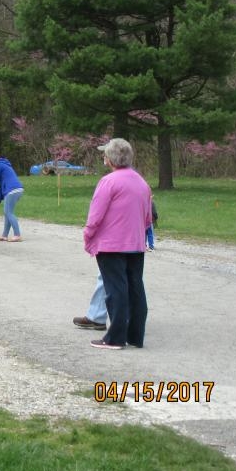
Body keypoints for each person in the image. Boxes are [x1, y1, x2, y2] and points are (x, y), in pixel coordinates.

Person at [84, 138, 152, 350]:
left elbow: (95, 215)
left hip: (111, 244)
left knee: (116, 291)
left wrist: (88, 235)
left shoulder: (109, 182)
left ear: (109, 159)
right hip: (135, 244)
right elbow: (148, 217)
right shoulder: (141, 182)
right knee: (135, 288)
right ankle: (135, 336)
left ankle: (115, 338)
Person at [0, 151, 24, 242]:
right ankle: (4, 235)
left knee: (8, 212)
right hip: (15, 189)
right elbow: (1, 184)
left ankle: (17, 235)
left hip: (12, 190)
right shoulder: (2, 164)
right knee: (7, 213)